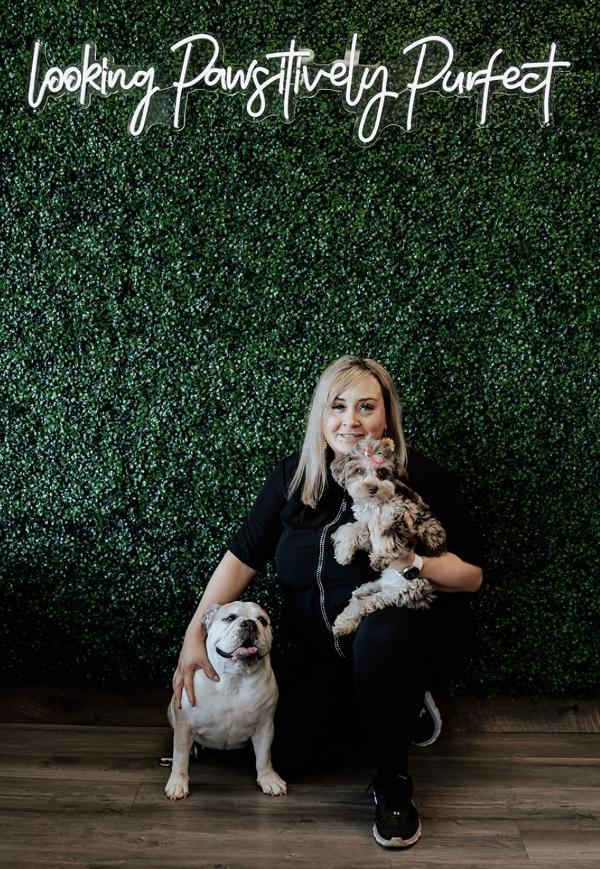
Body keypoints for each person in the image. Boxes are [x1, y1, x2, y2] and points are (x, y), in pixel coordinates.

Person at [172, 355, 484, 849]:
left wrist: (411, 561)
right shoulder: (294, 478)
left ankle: (392, 783)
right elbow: (241, 557)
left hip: (401, 635)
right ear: (321, 415)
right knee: (293, 756)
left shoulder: (419, 478)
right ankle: (393, 709)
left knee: (384, 635)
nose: (351, 421)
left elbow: (471, 578)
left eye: (366, 407)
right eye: (338, 406)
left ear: (387, 418)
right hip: (320, 649)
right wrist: (193, 635)